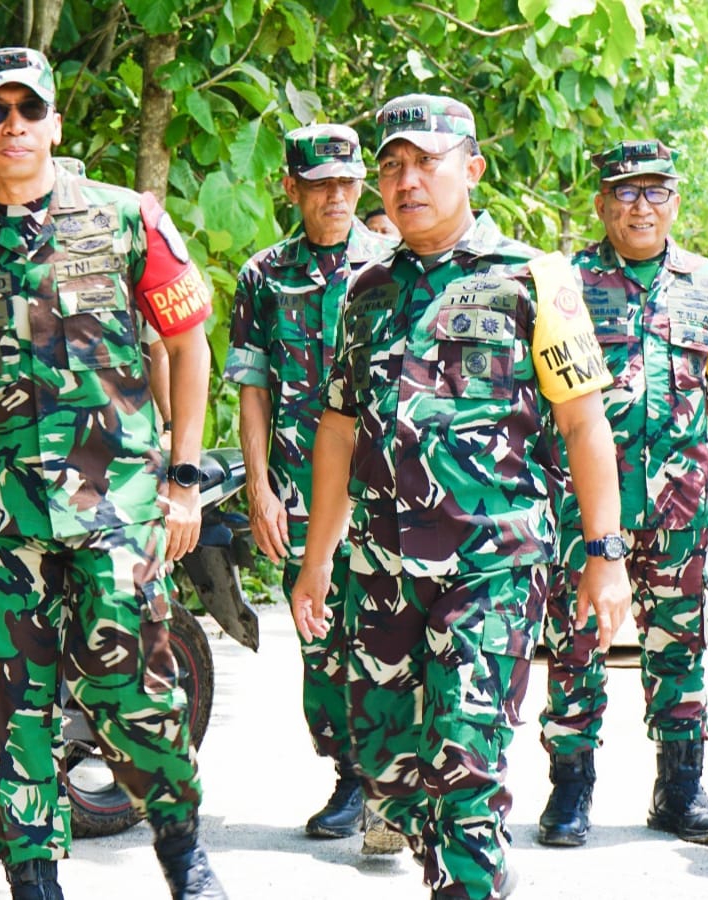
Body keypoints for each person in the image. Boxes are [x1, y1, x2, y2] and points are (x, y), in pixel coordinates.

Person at [291, 93, 630, 900]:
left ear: (471, 169)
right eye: (394, 166)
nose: (408, 180)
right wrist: (317, 561)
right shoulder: (366, 291)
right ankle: (454, 869)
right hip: (380, 569)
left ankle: (469, 882)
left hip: (493, 564)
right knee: (388, 764)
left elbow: (585, 425)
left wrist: (604, 556)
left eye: (427, 162)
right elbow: (338, 431)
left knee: (465, 759)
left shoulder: (533, 279)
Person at [0, 47, 225, 900]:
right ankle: (33, 879)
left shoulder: (126, 219)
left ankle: (181, 849)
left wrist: (184, 479)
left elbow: (190, 345)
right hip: (4, 519)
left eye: (28, 109)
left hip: (118, 507)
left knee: (135, 690)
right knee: (13, 709)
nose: (14, 127)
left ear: (54, 123)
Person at [533, 140, 708, 850]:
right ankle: (570, 791)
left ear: (676, 201)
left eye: (657, 191)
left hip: (680, 505)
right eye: (625, 192)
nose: (641, 206)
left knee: (679, 647)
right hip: (583, 508)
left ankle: (680, 791)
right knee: (575, 646)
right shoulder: (563, 284)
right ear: (600, 204)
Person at [224, 124, 396, 846]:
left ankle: (395, 783)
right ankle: (350, 776)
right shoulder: (265, 276)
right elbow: (254, 390)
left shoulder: (393, 266)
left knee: (390, 636)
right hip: (298, 491)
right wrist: (259, 489)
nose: (336, 196)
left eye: (348, 182)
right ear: (291, 188)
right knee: (322, 642)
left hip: (387, 492)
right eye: (320, 183)